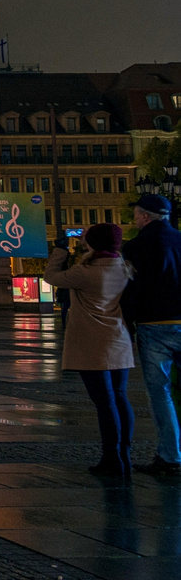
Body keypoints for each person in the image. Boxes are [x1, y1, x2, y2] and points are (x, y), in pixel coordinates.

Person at [45, 223, 136, 479]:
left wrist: (60, 252)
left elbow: (51, 277)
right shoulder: (124, 268)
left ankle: (112, 458)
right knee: (120, 398)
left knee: (104, 403)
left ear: (94, 244)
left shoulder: (84, 271)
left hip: (91, 343)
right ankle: (124, 455)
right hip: (118, 339)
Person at [123, 193, 181, 476]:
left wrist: (129, 322)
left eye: (136, 214)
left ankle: (170, 456)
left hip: (155, 324)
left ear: (145, 216)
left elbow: (131, 288)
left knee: (160, 392)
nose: (135, 218)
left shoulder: (136, 246)